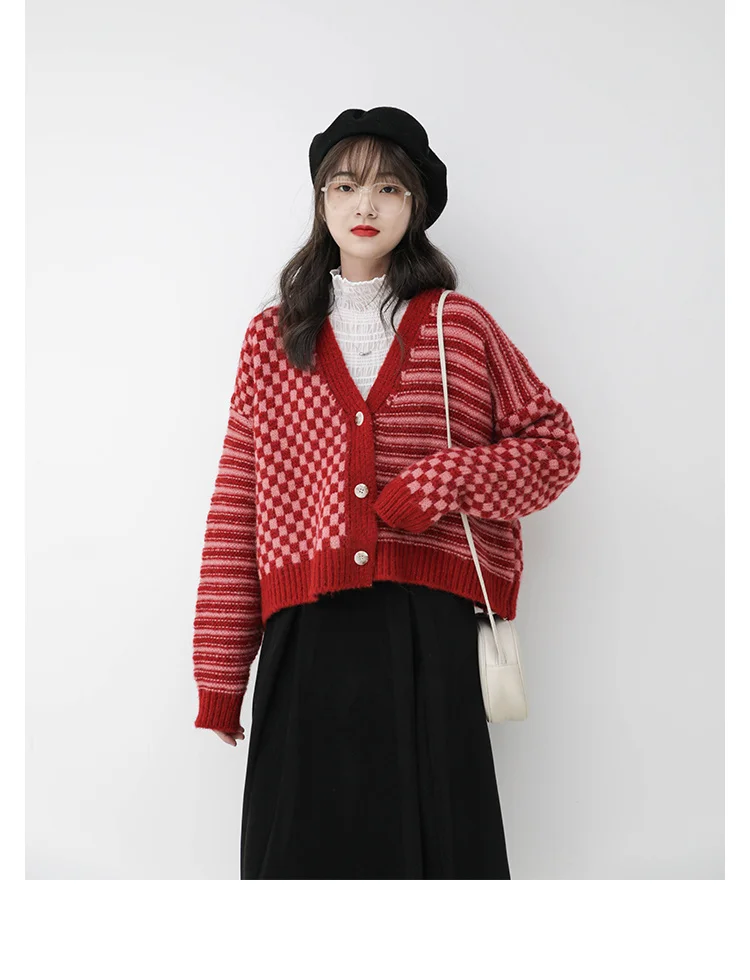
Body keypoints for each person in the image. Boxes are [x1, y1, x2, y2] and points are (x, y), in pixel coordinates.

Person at [191, 106, 582, 879]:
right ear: (322, 202)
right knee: (300, 859)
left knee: (434, 856)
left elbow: (554, 450)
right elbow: (237, 503)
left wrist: (442, 480)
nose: (364, 205)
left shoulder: (458, 328)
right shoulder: (272, 339)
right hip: (307, 632)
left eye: (388, 188)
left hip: (427, 633)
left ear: (416, 205)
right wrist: (221, 674)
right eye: (345, 186)